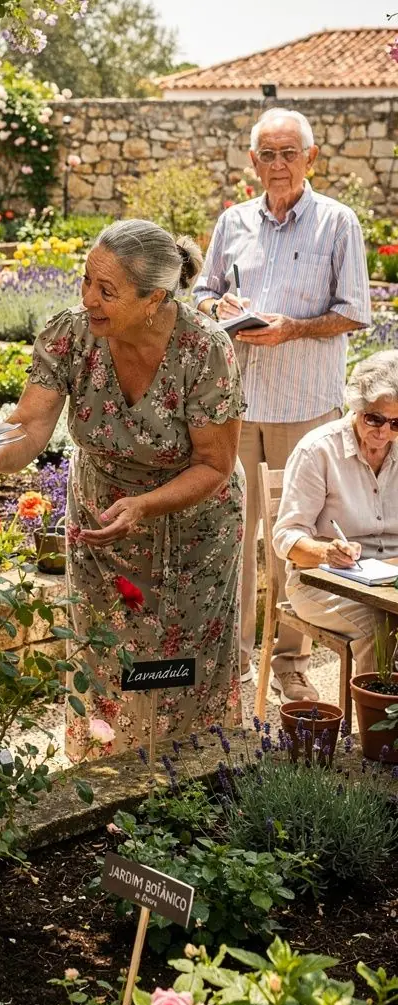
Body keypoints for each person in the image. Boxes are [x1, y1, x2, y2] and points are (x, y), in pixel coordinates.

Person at [0, 219, 245, 758]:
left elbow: (215, 465)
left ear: (154, 298)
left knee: (178, 665)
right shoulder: (72, 334)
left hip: (193, 528)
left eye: (106, 290)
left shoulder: (205, 351)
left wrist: (146, 505)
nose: (88, 298)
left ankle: (185, 778)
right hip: (101, 525)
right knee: (107, 658)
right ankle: (107, 776)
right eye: (86, 280)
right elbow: (31, 425)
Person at [193, 108, 371, 702]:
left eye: (288, 153)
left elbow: (353, 311)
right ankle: (238, 660)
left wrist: (292, 329)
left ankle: (293, 657)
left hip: (305, 405)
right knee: (235, 535)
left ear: (311, 159)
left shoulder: (337, 223)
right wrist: (218, 310)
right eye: (266, 154)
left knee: (297, 533)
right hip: (238, 403)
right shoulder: (232, 221)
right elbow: (203, 293)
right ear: (252, 162)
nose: (277, 164)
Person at [273, 351, 398, 680]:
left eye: (397, 423)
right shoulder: (318, 450)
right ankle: (377, 730)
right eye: (375, 419)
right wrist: (325, 551)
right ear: (356, 407)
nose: (385, 432)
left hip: (391, 577)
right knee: (381, 625)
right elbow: (286, 536)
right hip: (324, 580)